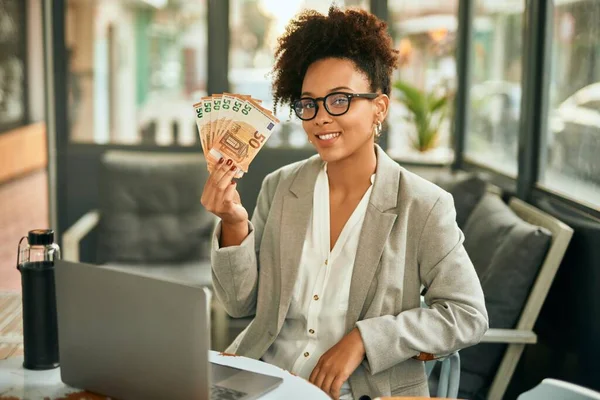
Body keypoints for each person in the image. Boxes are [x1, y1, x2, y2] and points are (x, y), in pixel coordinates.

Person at [201, 7, 488, 400]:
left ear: (379, 108)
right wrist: (233, 221)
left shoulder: (424, 206)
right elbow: (240, 304)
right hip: (264, 378)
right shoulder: (281, 188)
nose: (320, 118)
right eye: (309, 104)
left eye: (339, 100)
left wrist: (363, 340)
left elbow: (467, 315)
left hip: (360, 390)